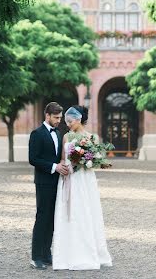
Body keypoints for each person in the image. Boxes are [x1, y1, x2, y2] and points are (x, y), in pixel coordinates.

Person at [51, 105, 112, 271]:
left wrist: (86, 160)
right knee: (70, 214)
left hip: (85, 180)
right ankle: (68, 254)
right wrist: (64, 167)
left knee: (86, 211)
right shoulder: (66, 137)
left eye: (70, 121)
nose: (68, 124)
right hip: (70, 178)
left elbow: (96, 159)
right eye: (66, 122)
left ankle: (89, 251)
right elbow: (63, 159)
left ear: (78, 119)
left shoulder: (91, 137)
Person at [28, 102, 69, 270]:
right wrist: (54, 167)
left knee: (52, 219)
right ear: (47, 116)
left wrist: (64, 165)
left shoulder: (59, 133)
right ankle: (36, 257)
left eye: (60, 117)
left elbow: (59, 156)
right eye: (56, 117)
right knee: (42, 218)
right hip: (44, 182)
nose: (59, 121)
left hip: (57, 182)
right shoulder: (36, 134)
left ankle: (46, 254)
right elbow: (33, 159)